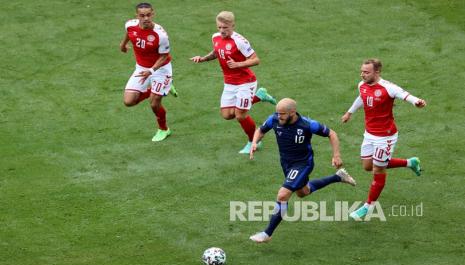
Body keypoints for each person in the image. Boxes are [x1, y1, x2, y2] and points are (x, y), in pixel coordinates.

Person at [249, 98, 356, 243]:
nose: (279, 117)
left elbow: (332, 134)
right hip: (286, 164)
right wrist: (255, 142)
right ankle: (338, 177)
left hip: (303, 164)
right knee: (303, 192)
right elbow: (260, 130)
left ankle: (267, 233)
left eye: (282, 114)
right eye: (277, 113)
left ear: (292, 112)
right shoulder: (273, 119)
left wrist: (336, 155)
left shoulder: (307, 124)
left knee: (282, 195)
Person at [341, 58, 427, 220]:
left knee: (378, 169)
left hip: (385, 137)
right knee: (368, 166)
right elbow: (362, 97)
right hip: (369, 134)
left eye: (366, 72)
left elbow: (404, 95)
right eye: (362, 71)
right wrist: (349, 112)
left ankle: (368, 207)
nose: (362, 74)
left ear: (377, 72)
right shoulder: (362, 85)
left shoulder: (388, 87)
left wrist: (417, 102)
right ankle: (410, 162)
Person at [190, 11, 277, 154]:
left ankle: (254, 141)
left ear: (232, 25)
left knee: (240, 115)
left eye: (225, 27)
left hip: (245, 82)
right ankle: (260, 96)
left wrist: (238, 64)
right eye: (219, 27)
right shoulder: (215, 37)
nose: (222, 31)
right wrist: (204, 58)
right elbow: (217, 52)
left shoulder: (240, 41)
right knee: (227, 115)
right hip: (230, 83)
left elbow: (256, 59)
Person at [120, 2, 177, 142]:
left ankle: (164, 129)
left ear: (153, 14)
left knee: (154, 103)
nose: (146, 18)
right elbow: (129, 34)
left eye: (148, 15)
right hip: (141, 68)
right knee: (128, 101)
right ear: (137, 16)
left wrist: (151, 71)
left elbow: (164, 56)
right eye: (142, 15)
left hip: (161, 69)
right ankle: (164, 88)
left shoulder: (160, 34)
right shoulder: (130, 25)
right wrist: (122, 44)